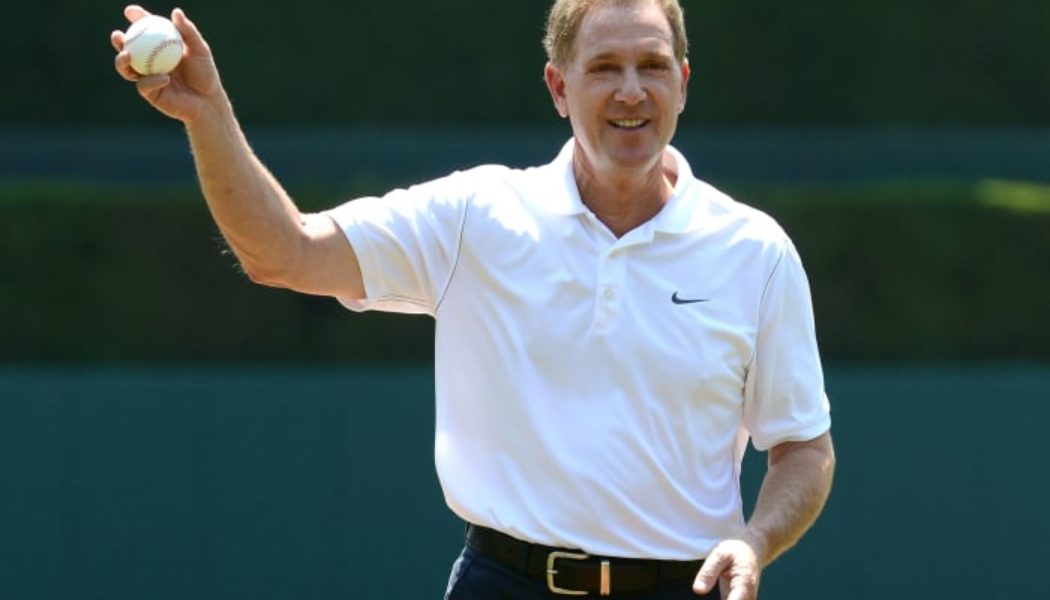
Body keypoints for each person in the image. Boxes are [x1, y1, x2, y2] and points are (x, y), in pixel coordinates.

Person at [112, 1, 835, 598]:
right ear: (558, 87)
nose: (630, 91)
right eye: (604, 68)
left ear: (682, 82)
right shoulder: (476, 218)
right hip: (504, 583)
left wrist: (755, 540)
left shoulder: (755, 251)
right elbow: (284, 252)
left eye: (652, 66)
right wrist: (207, 115)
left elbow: (803, 447)